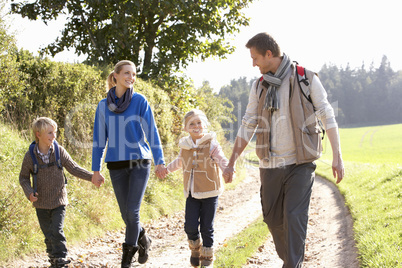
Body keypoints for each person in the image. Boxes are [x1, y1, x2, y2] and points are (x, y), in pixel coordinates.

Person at [223, 32, 345, 268]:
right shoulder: (259, 86)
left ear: (269, 54)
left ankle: (292, 264)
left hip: (300, 163)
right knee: (272, 220)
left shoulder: (305, 78)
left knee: (293, 217)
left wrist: (337, 157)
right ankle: (290, 259)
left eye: (255, 58)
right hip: (269, 165)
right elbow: (249, 123)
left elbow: (327, 115)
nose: (253, 63)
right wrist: (231, 161)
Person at [91, 60, 166, 267]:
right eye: (127, 73)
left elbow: (152, 131)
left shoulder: (140, 101)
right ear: (115, 76)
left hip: (140, 162)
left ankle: (127, 258)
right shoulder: (102, 106)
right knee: (126, 214)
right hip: (115, 165)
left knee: (132, 211)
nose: (131, 78)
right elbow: (99, 140)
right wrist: (95, 170)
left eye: (133, 74)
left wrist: (160, 161)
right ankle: (143, 238)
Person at [19, 117, 96, 268]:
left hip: (59, 200)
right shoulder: (30, 156)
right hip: (40, 202)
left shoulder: (59, 151)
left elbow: (74, 168)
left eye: (54, 132)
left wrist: (92, 177)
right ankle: (53, 258)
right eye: (49, 133)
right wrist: (29, 193)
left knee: (56, 229)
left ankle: (61, 259)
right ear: (38, 134)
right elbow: (23, 178)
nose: (53, 136)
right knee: (48, 234)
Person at [160, 109, 229, 267]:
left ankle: (207, 256)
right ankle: (195, 247)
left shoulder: (211, 143)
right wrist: (166, 170)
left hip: (210, 192)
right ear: (186, 128)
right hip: (191, 193)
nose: (196, 126)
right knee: (189, 226)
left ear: (205, 125)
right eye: (192, 124)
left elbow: (221, 158)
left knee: (207, 226)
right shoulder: (185, 146)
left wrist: (227, 169)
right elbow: (179, 161)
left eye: (199, 122)